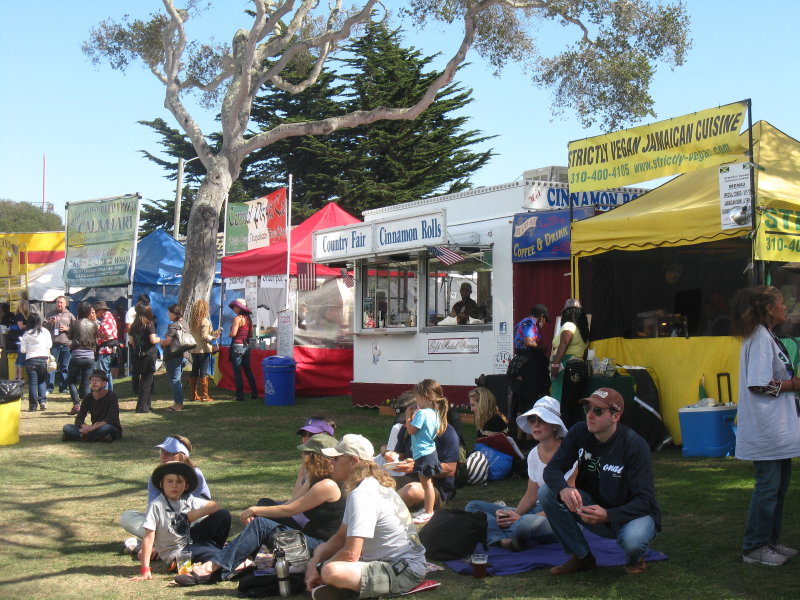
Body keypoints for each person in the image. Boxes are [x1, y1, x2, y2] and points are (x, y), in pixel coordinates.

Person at [174, 433, 346, 586]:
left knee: (261, 523)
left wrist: (254, 510)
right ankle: (241, 560)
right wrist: (260, 508)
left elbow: (290, 510)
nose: (302, 456)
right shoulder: (317, 479)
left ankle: (210, 567)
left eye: (306, 453)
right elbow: (290, 503)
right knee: (265, 504)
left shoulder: (328, 485)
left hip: (321, 545)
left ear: (316, 457)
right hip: (309, 537)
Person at [540, 388, 660, 575]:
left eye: (598, 411)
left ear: (616, 417)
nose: (590, 415)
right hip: (592, 509)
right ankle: (582, 557)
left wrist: (609, 515)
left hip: (631, 514)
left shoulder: (634, 445)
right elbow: (552, 470)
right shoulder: (579, 432)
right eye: (588, 408)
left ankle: (634, 560)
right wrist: (564, 489)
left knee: (633, 541)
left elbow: (645, 501)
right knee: (547, 492)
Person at [304, 434, 426, 600]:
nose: (331, 462)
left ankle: (345, 589)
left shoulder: (363, 494)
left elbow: (351, 554)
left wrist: (319, 569)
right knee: (322, 550)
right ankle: (347, 588)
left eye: (337, 458)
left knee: (331, 571)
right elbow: (341, 536)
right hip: (396, 563)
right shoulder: (364, 486)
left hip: (404, 570)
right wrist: (316, 559)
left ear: (354, 461)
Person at [731, 285, 800, 566]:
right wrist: (794, 384)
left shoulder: (766, 335)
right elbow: (759, 383)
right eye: (782, 303)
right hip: (766, 428)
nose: (786, 307)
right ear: (769, 308)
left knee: (778, 488)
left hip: (777, 428)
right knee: (768, 488)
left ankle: (769, 542)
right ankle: (755, 547)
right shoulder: (760, 337)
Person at [465, 396, 575, 551]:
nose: (535, 424)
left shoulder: (570, 454)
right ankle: (505, 541)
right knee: (473, 506)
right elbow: (531, 496)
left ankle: (502, 533)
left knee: (524, 523)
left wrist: (520, 518)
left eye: (541, 420)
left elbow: (567, 504)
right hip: (534, 511)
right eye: (532, 419)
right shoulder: (533, 454)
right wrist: (514, 515)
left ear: (555, 425)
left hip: (558, 516)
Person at [130, 461, 231, 582]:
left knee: (223, 514)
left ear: (186, 486)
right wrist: (145, 569)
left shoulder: (188, 499)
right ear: (162, 484)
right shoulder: (156, 505)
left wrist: (194, 514)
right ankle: (215, 562)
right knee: (217, 554)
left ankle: (213, 551)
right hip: (178, 553)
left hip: (194, 541)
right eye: (170, 481)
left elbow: (215, 506)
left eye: (179, 482)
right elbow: (148, 537)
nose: (174, 486)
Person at [121, 435, 212, 551]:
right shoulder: (155, 477)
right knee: (127, 516)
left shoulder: (195, 475)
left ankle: (151, 545)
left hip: (192, 520)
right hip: (165, 522)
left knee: (204, 519)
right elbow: (152, 510)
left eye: (170, 453)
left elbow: (189, 510)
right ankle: (160, 544)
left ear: (183, 456)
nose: (163, 456)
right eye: (162, 452)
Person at [386, 393, 461, 515]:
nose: (404, 424)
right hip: (410, 479)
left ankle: (380, 514)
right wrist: (392, 456)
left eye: (408, 419)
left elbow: (450, 469)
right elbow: (401, 455)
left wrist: (417, 466)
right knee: (378, 483)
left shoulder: (446, 432)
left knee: (411, 491)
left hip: (436, 488)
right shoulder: (406, 430)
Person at [404, 379, 447, 525]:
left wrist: (408, 417)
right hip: (428, 452)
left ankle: (429, 512)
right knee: (426, 483)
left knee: (426, 484)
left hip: (424, 453)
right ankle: (427, 509)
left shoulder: (422, 414)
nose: (415, 400)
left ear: (424, 397)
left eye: (416, 397)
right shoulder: (435, 413)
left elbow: (411, 431)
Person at [508, 304, 551, 438]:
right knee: (529, 401)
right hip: (527, 365)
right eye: (545, 320)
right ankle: (526, 437)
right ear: (541, 317)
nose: (544, 323)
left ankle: (523, 437)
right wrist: (541, 348)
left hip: (522, 363)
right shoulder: (529, 323)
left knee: (523, 402)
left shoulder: (522, 322)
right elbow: (528, 342)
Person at [61, 370, 122, 442]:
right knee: (67, 427)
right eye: (92, 380)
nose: (94, 382)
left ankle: (78, 437)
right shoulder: (88, 398)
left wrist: (93, 427)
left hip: (109, 426)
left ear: (104, 383)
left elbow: (111, 418)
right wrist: (85, 426)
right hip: (94, 429)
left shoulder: (112, 396)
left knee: (106, 428)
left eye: (97, 380)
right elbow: (79, 419)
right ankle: (98, 438)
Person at [549, 299, 590, 402]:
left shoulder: (569, 325)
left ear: (568, 313)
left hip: (564, 366)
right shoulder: (583, 331)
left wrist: (554, 365)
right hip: (578, 366)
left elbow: (564, 344)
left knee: (559, 398)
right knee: (571, 401)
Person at [66, 302, 99, 415]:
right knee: (85, 382)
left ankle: (76, 405)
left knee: (71, 381)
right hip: (90, 356)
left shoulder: (75, 323)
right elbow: (96, 336)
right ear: (89, 312)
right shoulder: (93, 324)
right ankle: (86, 407)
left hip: (76, 355)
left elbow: (70, 336)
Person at [128, 304, 161, 413]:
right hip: (149, 355)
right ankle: (142, 407)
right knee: (147, 382)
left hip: (138, 355)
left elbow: (131, 342)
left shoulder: (133, 326)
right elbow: (152, 340)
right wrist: (159, 339)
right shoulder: (149, 324)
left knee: (143, 380)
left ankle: (147, 404)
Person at [188, 299, 220, 403]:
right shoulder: (205, 321)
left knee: (194, 371)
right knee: (203, 372)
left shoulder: (192, 321)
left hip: (194, 349)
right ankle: (205, 395)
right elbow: (205, 337)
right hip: (203, 349)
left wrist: (213, 334)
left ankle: (193, 395)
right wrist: (213, 338)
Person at [19, 312, 53, 412]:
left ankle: (33, 406)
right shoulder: (45, 331)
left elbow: (23, 350)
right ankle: (43, 401)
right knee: (42, 381)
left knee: (33, 383)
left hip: (31, 359)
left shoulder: (27, 333)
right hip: (43, 358)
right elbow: (50, 345)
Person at [161, 304, 191, 412]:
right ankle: (178, 401)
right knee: (177, 380)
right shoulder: (185, 324)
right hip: (185, 356)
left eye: (169, 313)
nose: (168, 315)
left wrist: (159, 341)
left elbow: (168, 342)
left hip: (174, 356)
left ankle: (178, 404)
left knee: (175, 380)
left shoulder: (174, 326)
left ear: (175, 314)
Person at [228, 298, 258, 401]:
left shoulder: (238, 319)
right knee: (248, 371)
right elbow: (251, 334)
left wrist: (229, 333)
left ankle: (239, 395)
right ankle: (254, 393)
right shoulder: (248, 319)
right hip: (246, 346)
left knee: (237, 372)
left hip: (237, 346)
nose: (234, 309)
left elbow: (233, 334)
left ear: (239, 308)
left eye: (235, 307)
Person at [45, 295, 75, 393]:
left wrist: (67, 329)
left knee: (64, 367)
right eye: (58, 302)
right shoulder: (50, 314)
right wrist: (50, 322)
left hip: (66, 345)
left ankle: (63, 388)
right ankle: (50, 388)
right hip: (54, 344)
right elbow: (43, 328)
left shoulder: (70, 315)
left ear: (65, 304)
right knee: (51, 366)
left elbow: (76, 329)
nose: (59, 304)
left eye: (61, 302)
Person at [127, 294, 151, 391]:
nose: (147, 306)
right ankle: (136, 387)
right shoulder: (131, 311)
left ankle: (148, 387)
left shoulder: (146, 311)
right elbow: (129, 327)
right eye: (146, 304)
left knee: (147, 366)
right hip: (136, 341)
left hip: (144, 342)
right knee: (136, 366)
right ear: (140, 303)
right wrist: (133, 340)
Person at [93, 300, 118, 390]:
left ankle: (105, 393)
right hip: (107, 348)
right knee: (107, 372)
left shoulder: (107, 318)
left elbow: (107, 333)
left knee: (102, 373)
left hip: (106, 349)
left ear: (100, 310)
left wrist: (96, 333)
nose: (96, 314)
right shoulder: (108, 317)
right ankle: (109, 392)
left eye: (96, 311)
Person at [10, 298, 29, 380]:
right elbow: (21, 326)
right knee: (21, 357)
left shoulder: (22, 315)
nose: (27, 308)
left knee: (19, 357)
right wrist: (30, 325)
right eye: (26, 306)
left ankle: (16, 376)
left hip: (21, 338)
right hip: (21, 339)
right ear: (22, 306)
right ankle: (20, 376)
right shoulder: (19, 315)